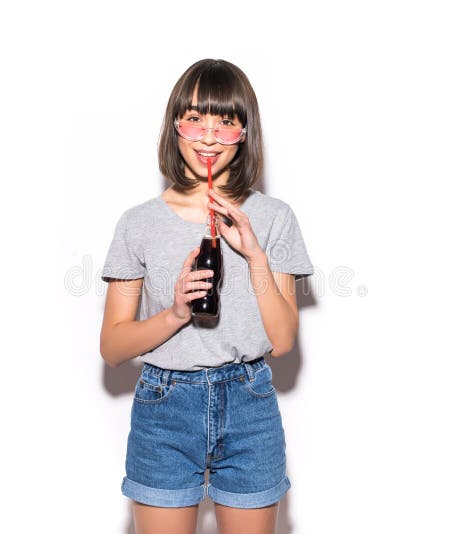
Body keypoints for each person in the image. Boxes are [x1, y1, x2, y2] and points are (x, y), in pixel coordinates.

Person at [100, 58, 313, 534]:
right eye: (195, 118)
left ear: (245, 131)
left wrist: (255, 255)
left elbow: (282, 342)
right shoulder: (138, 223)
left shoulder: (274, 217)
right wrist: (177, 312)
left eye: (226, 121)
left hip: (250, 402)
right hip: (163, 408)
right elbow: (112, 347)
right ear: (175, 125)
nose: (210, 136)